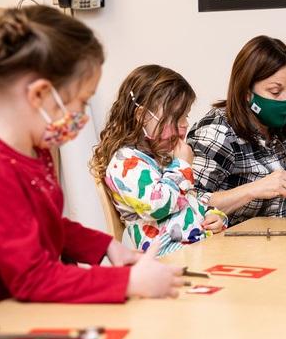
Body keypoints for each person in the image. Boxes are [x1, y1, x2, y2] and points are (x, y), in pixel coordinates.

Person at [0, 5, 184, 304]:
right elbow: (33, 280)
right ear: (40, 95)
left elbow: (48, 225)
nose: (82, 115)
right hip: (3, 318)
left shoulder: (35, 152)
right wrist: (128, 282)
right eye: (80, 102)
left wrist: (107, 246)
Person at [187, 35, 286, 225]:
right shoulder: (217, 133)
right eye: (275, 91)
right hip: (227, 250)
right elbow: (189, 203)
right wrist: (254, 189)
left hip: (275, 247)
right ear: (247, 91)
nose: (285, 100)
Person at [90, 65, 227, 256]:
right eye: (176, 116)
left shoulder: (163, 157)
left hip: (196, 249)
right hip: (168, 256)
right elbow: (157, 206)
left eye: (185, 115)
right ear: (142, 117)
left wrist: (213, 214)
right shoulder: (124, 163)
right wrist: (183, 167)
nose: (185, 123)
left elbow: (188, 199)